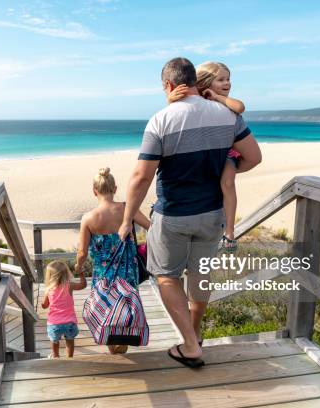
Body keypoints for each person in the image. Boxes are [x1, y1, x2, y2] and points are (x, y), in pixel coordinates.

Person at [118, 57, 262, 368]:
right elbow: (254, 157)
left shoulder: (160, 120)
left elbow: (142, 177)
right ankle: (193, 334)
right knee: (201, 275)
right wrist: (229, 166)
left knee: (167, 278)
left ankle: (190, 345)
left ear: (169, 85)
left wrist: (127, 217)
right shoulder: (227, 114)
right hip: (212, 214)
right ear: (196, 82)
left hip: (173, 216)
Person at [168, 61, 249, 250]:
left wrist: (217, 97)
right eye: (221, 79)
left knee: (227, 183)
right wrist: (170, 100)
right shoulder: (200, 102)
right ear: (205, 82)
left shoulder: (227, 103)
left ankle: (229, 233)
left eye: (228, 79)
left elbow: (240, 106)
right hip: (211, 152)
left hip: (230, 152)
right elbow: (181, 112)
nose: (227, 83)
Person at [75, 167, 151, 354]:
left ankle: (113, 351)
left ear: (94, 191)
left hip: (103, 274)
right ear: (115, 188)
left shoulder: (88, 219)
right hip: (128, 270)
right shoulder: (127, 209)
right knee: (126, 309)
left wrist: (78, 266)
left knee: (106, 310)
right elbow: (151, 226)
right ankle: (123, 349)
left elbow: (82, 252)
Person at [41, 260, 86, 358]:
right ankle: (70, 357)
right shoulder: (69, 285)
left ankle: (56, 356)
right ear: (66, 273)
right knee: (69, 341)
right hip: (70, 322)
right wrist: (81, 274)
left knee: (54, 341)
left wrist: (43, 303)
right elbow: (83, 285)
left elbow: (44, 305)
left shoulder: (48, 289)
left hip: (54, 323)